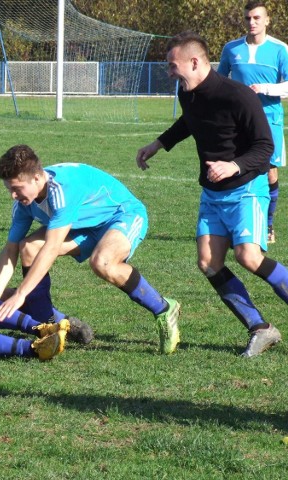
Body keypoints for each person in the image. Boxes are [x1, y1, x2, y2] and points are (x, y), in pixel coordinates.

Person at [136, 31, 287, 357]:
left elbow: (266, 148)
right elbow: (190, 122)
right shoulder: (187, 92)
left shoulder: (237, 96)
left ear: (194, 62)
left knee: (249, 257)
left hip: (247, 187)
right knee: (208, 262)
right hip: (213, 194)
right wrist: (159, 144)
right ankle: (261, 329)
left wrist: (233, 166)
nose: (169, 72)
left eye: (172, 66)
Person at [0, 145, 180, 355]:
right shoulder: (25, 203)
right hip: (83, 226)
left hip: (120, 215)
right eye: (10, 189)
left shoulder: (62, 191)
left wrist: (21, 294)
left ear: (36, 178)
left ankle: (163, 309)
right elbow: (10, 251)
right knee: (29, 247)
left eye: (17, 188)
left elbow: (52, 247)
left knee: (103, 262)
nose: (13, 196)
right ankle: (49, 326)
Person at [217, 2, 288, 245]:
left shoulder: (280, 49)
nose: (252, 22)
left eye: (257, 17)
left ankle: (268, 225)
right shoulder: (231, 48)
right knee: (237, 166)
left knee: (268, 171)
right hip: (238, 121)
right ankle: (235, 223)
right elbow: (219, 81)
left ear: (267, 20)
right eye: (248, 18)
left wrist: (265, 88)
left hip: (269, 119)